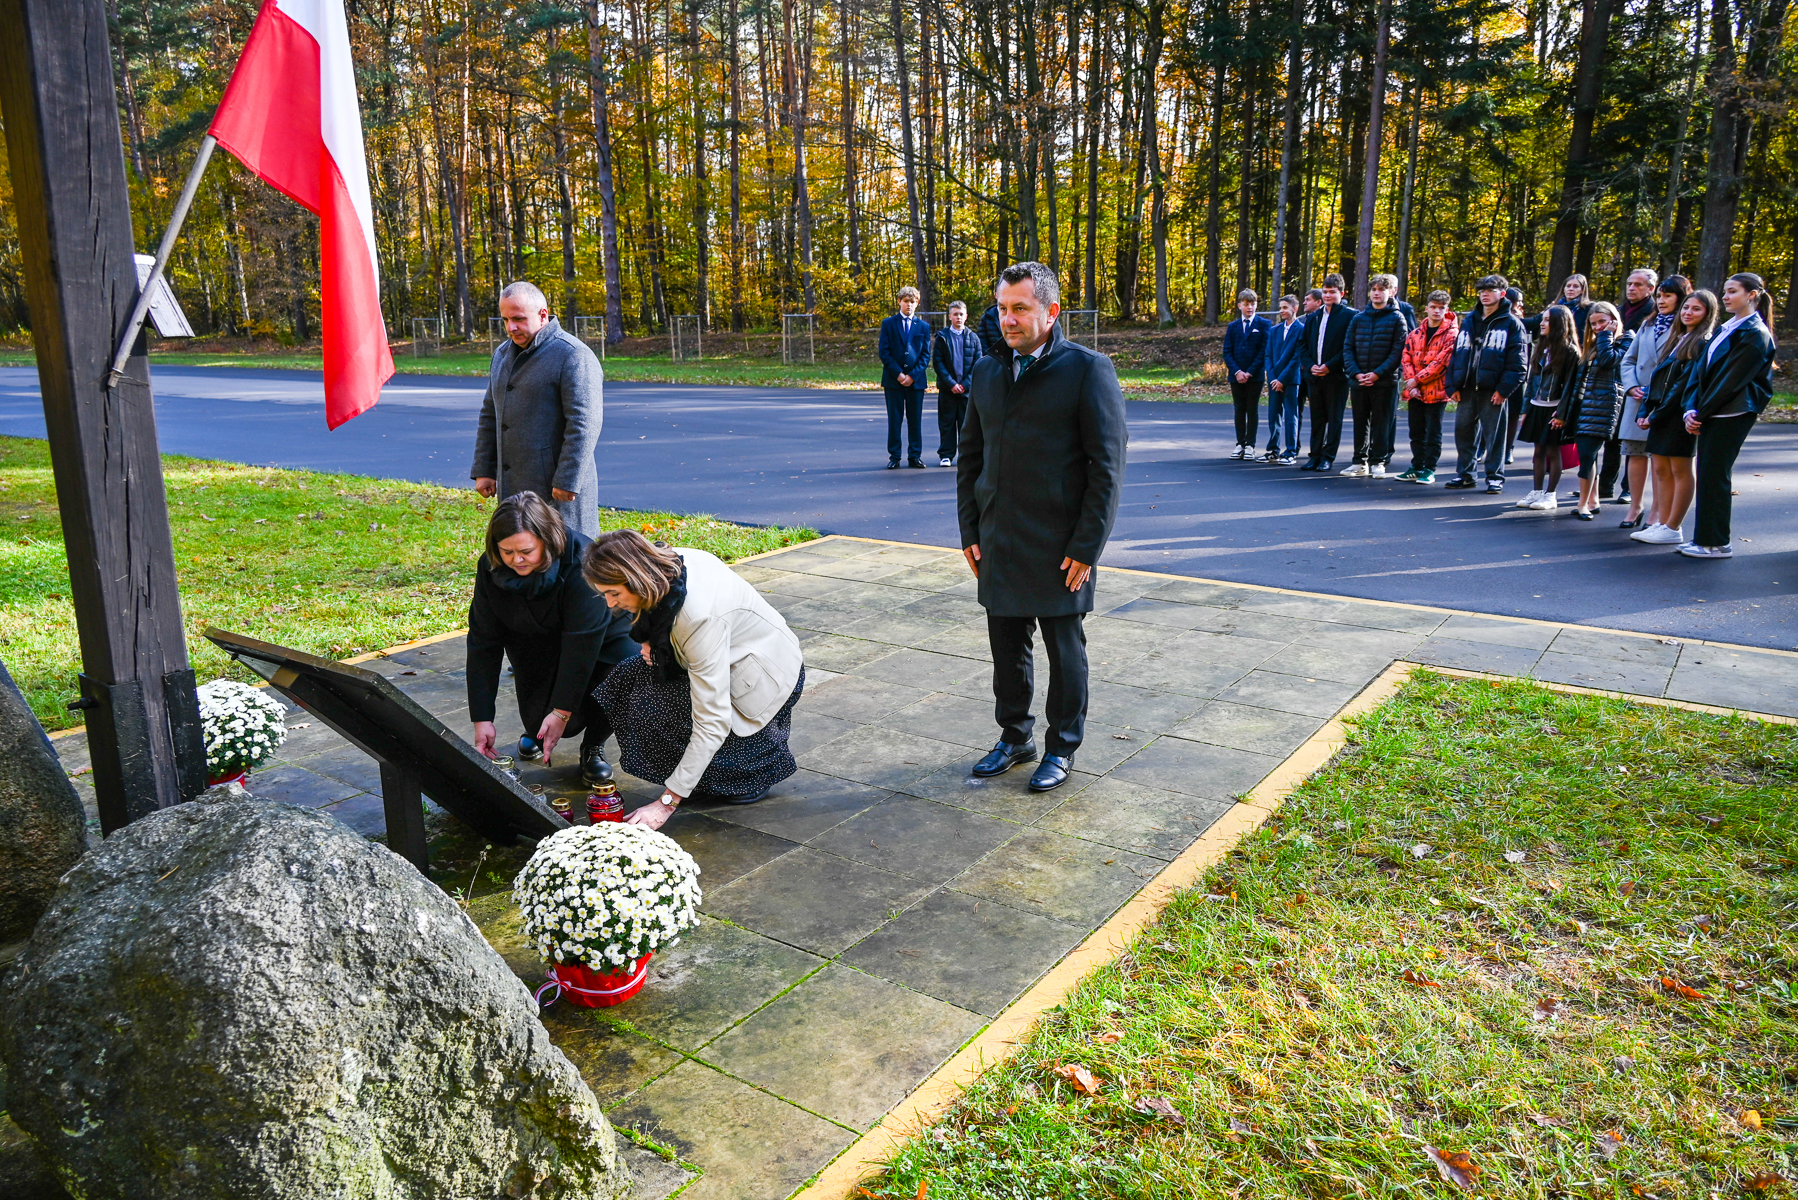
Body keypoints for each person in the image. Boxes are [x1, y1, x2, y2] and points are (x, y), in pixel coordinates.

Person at [957, 261, 1126, 794]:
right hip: (999, 537)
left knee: (1064, 648)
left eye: (1020, 309)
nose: (1008, 320)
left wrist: (1087, 545)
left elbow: (1107, 465)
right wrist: (969, 530)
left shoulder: (1087, 369)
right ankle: (1015, 738)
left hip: (1061, 544)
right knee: (1006, 647)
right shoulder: (987, 371)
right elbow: (970, 457)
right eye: (1002, 309)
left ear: (1051, 312)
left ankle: (1062, 747)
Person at [581, 529, 806, 828]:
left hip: (764, 678)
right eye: (604, 594)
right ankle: (698, 772)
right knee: (627, 680)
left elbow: (712, 721)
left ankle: (753, 768)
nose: (610, 604)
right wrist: (652, 641)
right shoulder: (667, 564)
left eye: (614, 594)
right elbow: (661, 614)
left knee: (721, 768)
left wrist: (666, 803)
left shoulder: (699, 617)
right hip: (725, 657)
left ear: (638, 580)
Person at [466, 493, 637, 786]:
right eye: (507, 552)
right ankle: (537, 730)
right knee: (539, 722)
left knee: (628, 667)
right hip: (534, 636)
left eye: (526, 551)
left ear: (547, 540)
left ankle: (593, 747)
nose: (516, 560)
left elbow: (580, 647)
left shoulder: (584, 560)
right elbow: (483, 641)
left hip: (601, 638)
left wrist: (561, 711)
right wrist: (482, 718)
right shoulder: (491, 566)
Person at [471, 281, 604, 537]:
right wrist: (484, 469)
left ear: (543, 314)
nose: (511, 327)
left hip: (557, 491)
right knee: (521, 554)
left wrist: (567, 480)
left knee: (566, 558)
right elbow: (491, 413)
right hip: (514, 488)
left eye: (519, 319)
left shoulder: (573, 355)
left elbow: (584, 423)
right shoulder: (501, 354)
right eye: (506, 319)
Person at [1677, 272, 1778, 559]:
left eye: (1732, 291)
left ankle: (1716, 542)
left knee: (1714, 475)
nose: (1725, 296)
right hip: (1709, 412)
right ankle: (1704, 539)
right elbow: (1700, 371)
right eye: (1725, 291)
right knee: (1708, 473)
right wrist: (1690, 408)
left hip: (1731, 413)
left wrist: (1701, 413)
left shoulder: (1755, 334)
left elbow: (1731, 381)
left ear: (1752, 295)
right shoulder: (1727, 328)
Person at [1630, 289, 1717, 545]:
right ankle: (1661, 523)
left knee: (1680, 469)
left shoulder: (1702, 342)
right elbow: (1658, 379)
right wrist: (1646, 410)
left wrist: (1656, 414)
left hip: (1679, 415)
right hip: (1660, 413)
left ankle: (1673, 526)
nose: (1689, 313)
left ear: (1708, 314)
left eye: (1696, 309)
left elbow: (1683, 385)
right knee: (1660, 469)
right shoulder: (1678, 338)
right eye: (1686, 308)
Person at [1617, 275, 1692, 529]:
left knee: (1661, 458)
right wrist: (1632, 386)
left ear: (1681, 298)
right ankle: (1635, 507)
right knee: (1635, 454)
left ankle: (1657, 512)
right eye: (1659, 296)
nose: (1661, 301)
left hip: (1666, 401)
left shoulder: (1687, 328)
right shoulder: (1648, 325)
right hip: (1638, 399)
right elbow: (1628, 359)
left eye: (1667, 296)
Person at [1444, 275, 1527, 494]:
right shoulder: (1470, 320)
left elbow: (1518, 364)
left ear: (1502, 293)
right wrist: (1451, 386)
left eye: (1490, 290)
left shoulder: (1512, 323)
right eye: (1481, 291)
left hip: (1493, 390)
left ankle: (1495, 478)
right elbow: (1456, 355)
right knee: (1463, 432)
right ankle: (1466, 474)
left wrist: (1503, 390)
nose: (1485, 294)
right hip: (1466, 388)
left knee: (1494, 436)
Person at [1552, 301, 1632, 521]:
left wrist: (1607, 335)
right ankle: (1593, 500)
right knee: (1588, 456)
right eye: (1594, 323)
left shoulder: (1626, 340)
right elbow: (1577, 381)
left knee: (1587, 456)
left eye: (1602, 322)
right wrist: (1563, 410)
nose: (1598, 327)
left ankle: (1583, 505)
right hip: (1585, 407)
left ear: (1614, 321)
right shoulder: (1592, 346)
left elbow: (1610, 362)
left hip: (1606, 407)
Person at [1340, 273, 1407, 477]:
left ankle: (1379, 461)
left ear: (1391, 292)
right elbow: (1348, 348)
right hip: (1359, 381)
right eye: (1374, 289)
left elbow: (1397, 352)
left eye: (1381, 289)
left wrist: (1377, 374)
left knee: (1382, 422)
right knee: (1360, 421)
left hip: (1384, 382)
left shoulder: (1397, 318)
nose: (1377, 293)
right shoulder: (1358, 318)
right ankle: (1359, 462)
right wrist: (1356, 373)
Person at [1515, 306, 1581, 511]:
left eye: (1547, 320)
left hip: (1555, 410)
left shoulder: (1570, 351)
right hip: (1537, 407)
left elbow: (1572, 386)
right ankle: (1536, 491)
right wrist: (1526, 409)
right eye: (1542, 320)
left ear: (1560, 323)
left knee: (1553, 451)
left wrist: (1562, 414)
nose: (1542, 324)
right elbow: (1532, 381)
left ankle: (1551, 495)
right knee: (1538, 451)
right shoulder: (1541, 346)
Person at [1395, 289, 1458, 483]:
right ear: (1427, 308)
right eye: (1433, 307)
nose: (1437, 311)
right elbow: (1406, 358)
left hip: (1436, 391)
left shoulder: (1452, 334)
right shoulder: (1415, 333)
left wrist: (1417, 379)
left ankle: (1429, 468)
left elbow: (1441, 362)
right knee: (1416, 431)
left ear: (1447, 310)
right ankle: (1417, 465)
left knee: (1433, 432)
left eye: (1441, 308)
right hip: (1415, 391)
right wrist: (1411, 382)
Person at [1297, 274, 1356, 471]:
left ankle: (1328, 457)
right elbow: (1303, 345)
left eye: (1332, 292)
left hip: (1336, 376)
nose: (1328, 295)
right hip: (1314, 377)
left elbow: (1349, 347)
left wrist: (1329, 365)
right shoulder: (1313, 318)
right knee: (1317, 418)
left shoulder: (1350, 316)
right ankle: (1314, 455)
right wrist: (1310, 364)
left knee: (1334, 418)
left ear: (1342, 293)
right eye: (1325, 292)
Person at [878, 286, 933, 469]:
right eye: (906, 301)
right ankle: (894, 456)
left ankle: (915, 456)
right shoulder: (888, 323)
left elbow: (925, 355)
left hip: (915, 382)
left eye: (912, 302)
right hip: (893, 381)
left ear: (917, 303)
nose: (909, 305)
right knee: (895, 419)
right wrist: (899, 374)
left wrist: (912, 375)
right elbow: (884, 353)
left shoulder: (923, 326)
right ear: (899, 301)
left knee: (915, 419)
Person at [932, 300, 982, 467]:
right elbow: (938, 363)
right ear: (950, 317)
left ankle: (965, 456)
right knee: (947, 423)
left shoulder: (973, 338)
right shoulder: (942, 338)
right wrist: (951, 384)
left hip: (966, 391)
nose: (958, 317)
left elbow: (977, 363)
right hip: (948, 390)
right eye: (955, 314)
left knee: (966, 425)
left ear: (966, 316)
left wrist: (965, 384)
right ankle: (946, 455)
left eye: (961, 314)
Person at [1223, 289, 1271, 459]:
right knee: (1239, 409)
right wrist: (1237, 371)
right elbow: (1227, 352)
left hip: (1255, 376)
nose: (1249, 307)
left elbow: (1264, 350)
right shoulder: (1233, 327)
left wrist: (1249, 372)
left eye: (1252, 304)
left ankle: (1250, 444)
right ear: (1239, 306)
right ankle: (1240, 443)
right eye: (1246, 304)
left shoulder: (1264, 325)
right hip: (1236, 376)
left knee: (1252, 409)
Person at [1262, 295, 1306, 464]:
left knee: (1290, 415)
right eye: (1281, 308)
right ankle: (1273, 449)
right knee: (1273, 415)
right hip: (1274, 381)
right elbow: (1268, 355)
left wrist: (1282, 379)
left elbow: (1297, 358)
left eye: (1285, 308)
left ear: (1295, 309)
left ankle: (1290, 452)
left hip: (1291, 380)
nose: (1282, 311)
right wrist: (1273, 378)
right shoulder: (1274, 330)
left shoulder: (1301, 330)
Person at [1553, 273, 1594, 338]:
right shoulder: (1555, 308)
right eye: (1568, 286)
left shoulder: (1589, 308)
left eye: (1576, 286)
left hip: (1580, 345)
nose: (1571, 289)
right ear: (1564, 289)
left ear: (1582, 290)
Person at [1619, 268, 1659, 333]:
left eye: (1638, 285)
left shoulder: (1656, 312)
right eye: (1629, 284)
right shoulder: (1616, 311)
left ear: (1651, 289)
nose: (1631, 288)